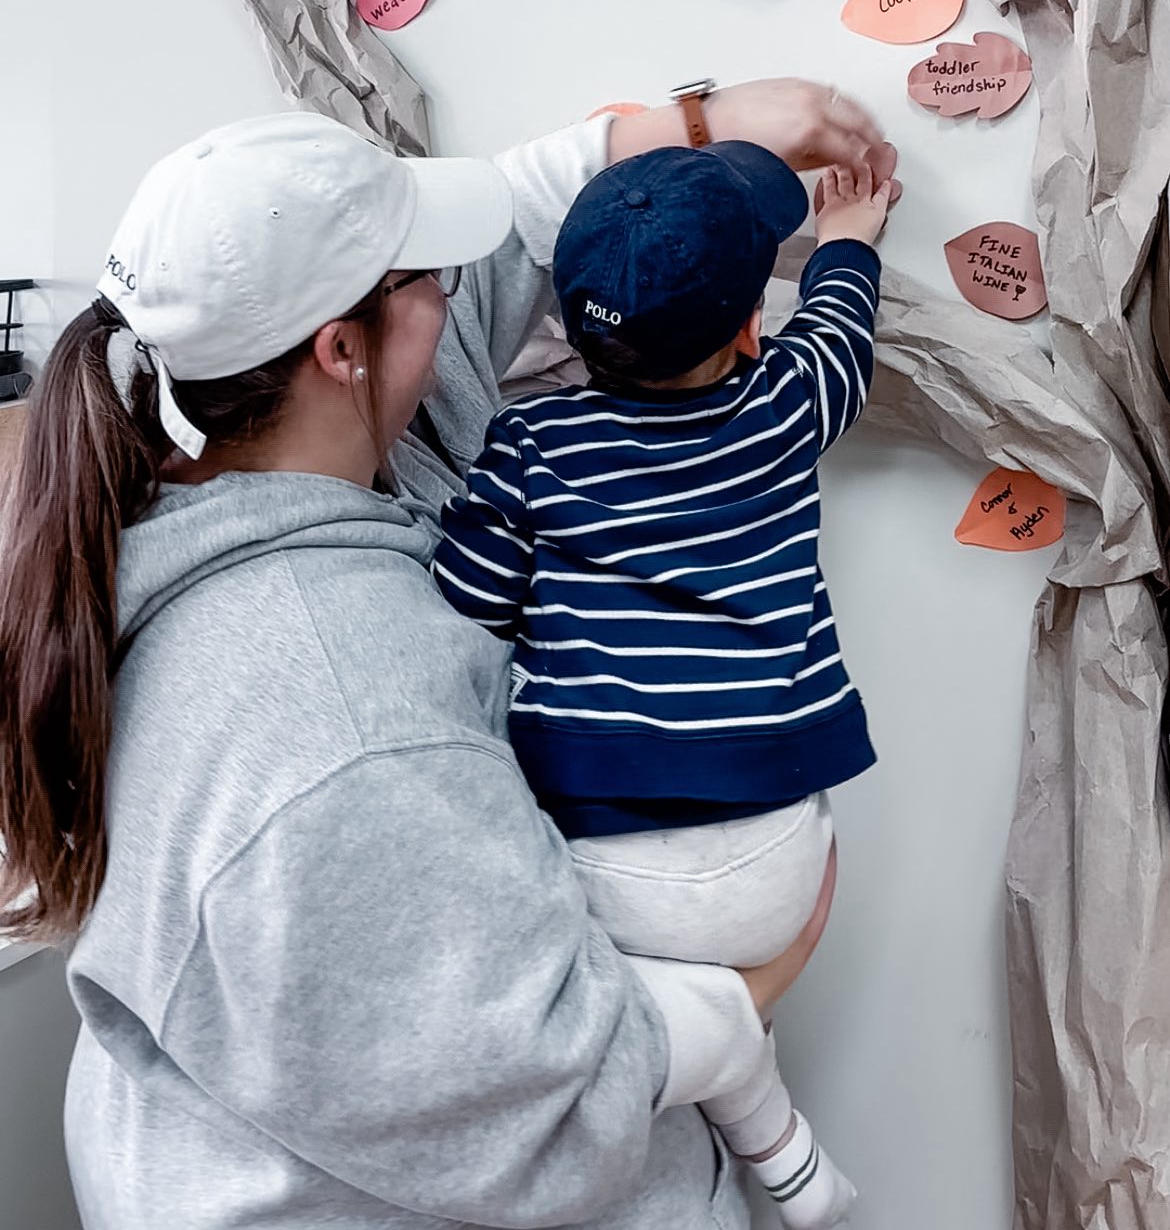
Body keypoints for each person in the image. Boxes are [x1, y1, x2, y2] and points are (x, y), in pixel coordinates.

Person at [0, 78, 890, 1230]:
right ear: (340, 348)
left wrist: (710, 122)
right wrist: (743, 995)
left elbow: (520, 218)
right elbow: (537, 1110)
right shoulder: (350, 730)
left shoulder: (224, 457)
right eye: (426, 277)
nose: (461, 294)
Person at [433, 143, 891, 1227]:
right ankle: (781, 1153)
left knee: (650, 1019)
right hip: (775, 847)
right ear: (747, 330)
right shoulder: (784, 410)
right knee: (722, 1000)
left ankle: (765, 1139)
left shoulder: (531, 444)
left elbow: (467, 606)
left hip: (605, 856)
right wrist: (849, 243)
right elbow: (840, 339)